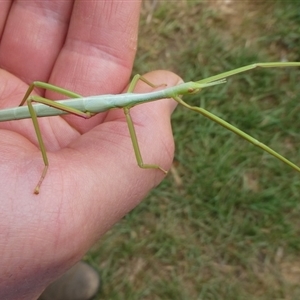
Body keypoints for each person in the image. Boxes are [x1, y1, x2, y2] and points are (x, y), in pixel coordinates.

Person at [0, 1, 181, 299]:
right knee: (34, 100)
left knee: (35, 92)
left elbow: (138, 83)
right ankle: (44, 168)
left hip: (73, 105)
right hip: (46, 109)